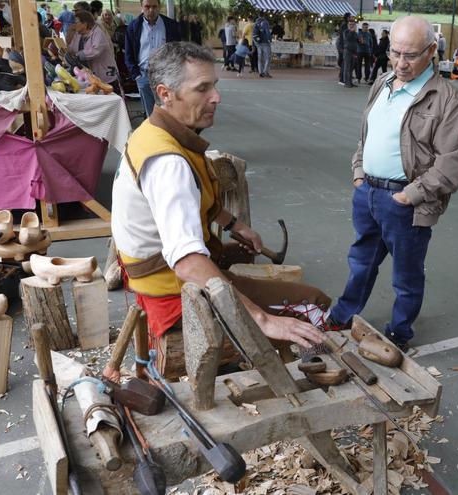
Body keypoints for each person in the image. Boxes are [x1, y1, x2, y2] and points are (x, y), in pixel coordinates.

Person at [108, 42, 326, 382]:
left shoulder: (152, 133)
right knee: (314, 303)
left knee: (243, 268)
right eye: (202, 88)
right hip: (172, 293)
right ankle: (318, 379)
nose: (216, 97)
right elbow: (187, 261)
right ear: (166, 94)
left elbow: (194, 200)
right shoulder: (169, 164)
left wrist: (234, 224)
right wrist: (263, 320)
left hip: (154, 275)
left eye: (215, 86)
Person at [325, 16, 458, 351]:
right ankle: (343, 315)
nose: (401, 63)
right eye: (395, 53)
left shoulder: (447, 99)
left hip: (405, 202)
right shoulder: (383, 81)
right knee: (361, 261)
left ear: (432, 51)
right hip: (368, 193)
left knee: (406, 275)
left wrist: (410, 195)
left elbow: (452, 163)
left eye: (411, 55)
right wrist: (359, 171)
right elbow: (368, 134)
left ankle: (399, 333)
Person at [125, 0, 181, 116]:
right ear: (141, 7)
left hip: (165, 76)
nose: (151, 10)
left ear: (159, 7)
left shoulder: (170, 25)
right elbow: (128, 54)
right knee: (150, 114)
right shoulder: (133, 27)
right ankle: (152, 132)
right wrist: (136, 75)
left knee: (168, 111)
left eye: (154, 6)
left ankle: (166, 133)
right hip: (143, 76)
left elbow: (178, 50)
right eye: (147, 6)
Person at [68, 11, 118, 85]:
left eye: (76, 22)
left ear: (85, 24)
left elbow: (95, 51)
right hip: (90, 75)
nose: (74, 25)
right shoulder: (78, 34)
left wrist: (78, 55)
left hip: (106, 74)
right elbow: (71, 49)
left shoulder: (98, 33)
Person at [341, 18, 358, 87]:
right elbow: (348, 38)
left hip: (353, 52)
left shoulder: (355, 33)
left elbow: (356, 41)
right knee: (347, 67)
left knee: (351, 68)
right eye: (350, 24)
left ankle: (350, 82)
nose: (351, 26)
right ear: (348, 25)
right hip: (347, 51)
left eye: (353, 25)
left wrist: (360, 40)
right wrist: (351, 31)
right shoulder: (346, 32)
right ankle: (346, 83)